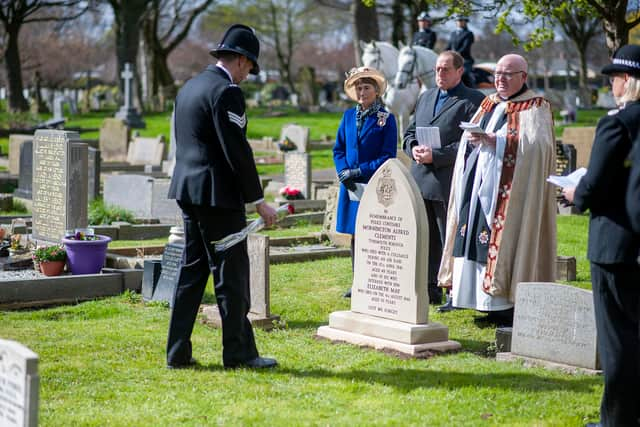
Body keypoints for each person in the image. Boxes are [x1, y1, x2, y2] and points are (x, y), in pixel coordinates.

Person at [166, 24, 279, 370]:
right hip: (217, 197)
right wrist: (258, 199)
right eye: (250, 68)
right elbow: (237, 151)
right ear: (242, 61)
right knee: (232, 277)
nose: (248, 76)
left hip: (188, 191)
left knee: (192, 272)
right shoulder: (226, 91)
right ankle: (239, 353)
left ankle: (177, 353)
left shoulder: (189, 87)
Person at [438, 54, 557, 325]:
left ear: (523, 77)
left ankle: (502, 306)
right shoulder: (489, 102)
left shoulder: (535, 106)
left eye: (507, 75)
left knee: (497, 241)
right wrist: (473, 137)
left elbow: (539, 148)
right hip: (478, 183)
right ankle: (477, 301)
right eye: (497, 75)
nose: (500, 80)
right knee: (471, 238)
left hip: (510, 194)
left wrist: (499, 141)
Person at [562, 44, 640, 427]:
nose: (611, 85)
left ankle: (617, 421)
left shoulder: (617, 123)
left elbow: (596, 185)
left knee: (618, 340)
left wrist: (576, 193)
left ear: (628, 80)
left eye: (614, 78)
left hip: (616, 244)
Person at [402, 51, 484, 308]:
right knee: (423, 237)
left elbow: (470, 143)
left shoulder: (473, 100)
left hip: (449, 180)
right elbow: (410, 132)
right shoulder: (426, 97)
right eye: (438, 69)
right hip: (419, 179)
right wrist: (413, 147)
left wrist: (435, 156)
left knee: (446, 237)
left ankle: (453, 291)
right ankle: (428, 287)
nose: (440, 73)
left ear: (460, 71)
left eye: (446, 69)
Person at [334, 66, 398, 298]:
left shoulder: (386, 119)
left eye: (367, 87)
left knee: (373, 233)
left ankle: (376, 280)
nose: (362, 91)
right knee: (355, 234)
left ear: (376, 91)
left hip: (373, 184)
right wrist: (343, 171)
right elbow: (338, 148)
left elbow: (387, 155)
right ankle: (357, 282)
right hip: (350, 186)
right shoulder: (349, 116)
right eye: (359, 88)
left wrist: (360, 170)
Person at [447, 16, 475, 87]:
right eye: (459, 20)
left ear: (465, 22)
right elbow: (449, 46)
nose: (460, 22)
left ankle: (471, 89)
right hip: (452, 58)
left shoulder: (469, 33)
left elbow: (465, 47)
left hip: (465, 60)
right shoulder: (453, 33)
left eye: (462, 20)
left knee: (464, 73)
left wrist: (454, 54)